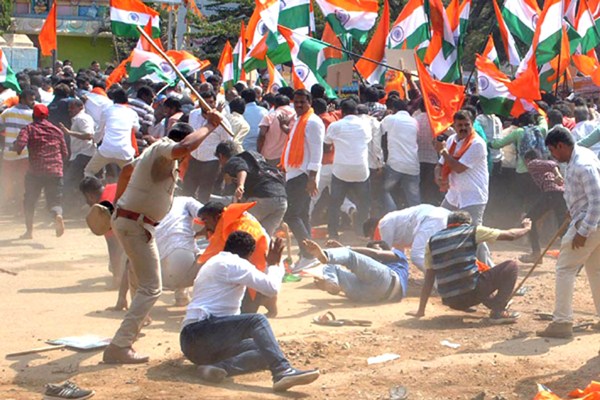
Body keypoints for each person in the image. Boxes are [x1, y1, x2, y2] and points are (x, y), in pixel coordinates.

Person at [102, 113, 223, 364]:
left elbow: (126, 170)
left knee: (138, 273)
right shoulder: (165, 149)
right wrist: (211, 125)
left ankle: (138, 319)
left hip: (130, 221)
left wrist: (118, 204)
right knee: (152, 287)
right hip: (136, 224)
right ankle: (120, 344)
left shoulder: (153, 152)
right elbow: (187, 146)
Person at [180, 231, 320, 391]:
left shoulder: (215, 262)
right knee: (257, 320)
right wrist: (274, 264)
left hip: (196, 345)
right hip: (201, 333)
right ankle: (283, 371)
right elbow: (271, 288)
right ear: (250, 254)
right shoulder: (235, 263)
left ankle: (216, 367)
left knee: (267, 350)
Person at [408, 211, 532, 324]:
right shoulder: (472, 231)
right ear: (467, 223)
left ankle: (494, 303)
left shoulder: (432, 240)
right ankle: (498, 311)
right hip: (471, 294)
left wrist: (421, 310)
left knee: (476, 271)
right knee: (511, 266)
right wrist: (526, 228)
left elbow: (429, 277)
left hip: (452, 301)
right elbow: (511, 235)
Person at [537, 127, 600, 339]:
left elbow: (597, 202)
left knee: (565, 268)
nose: (553, 156)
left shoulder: (583, 165)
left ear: (560, 146)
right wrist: (572, 206)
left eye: (553, 151)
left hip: (589, 223)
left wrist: (583, 231)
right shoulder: (579, 156)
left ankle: (562, 322)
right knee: (595, 271)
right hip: (588, 220)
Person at [196, 201, 277, 316]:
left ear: (217, 217)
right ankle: (264, 298)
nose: (206, 227)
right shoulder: (231, 220)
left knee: (244, 315)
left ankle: (263, 298)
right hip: (258, 263)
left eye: (206, 221)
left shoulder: (239, 226)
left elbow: (240, 261)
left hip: (260, 263)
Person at [434, 110, 492, 266]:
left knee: (474, 236)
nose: (463, 128)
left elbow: (458, 167)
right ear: (454, 126)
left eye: (467, 124)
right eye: (460, 125)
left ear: (472, 125)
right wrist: (439, 178)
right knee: (439, 224)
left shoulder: (477, 143)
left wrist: (443, 151)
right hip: (453, 195)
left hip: (473, 197)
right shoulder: (452, 140)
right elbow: (440, 165)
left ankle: (489, 270)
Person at [281, 89, 324, 271]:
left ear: (310, 103)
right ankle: (309, 255)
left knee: (290, 215)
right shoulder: (299, 120)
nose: (298, 105)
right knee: (302, 215)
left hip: (303, 175)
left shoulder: (313, 122)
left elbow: (317, 152)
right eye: (296, 102)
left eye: (302, 103)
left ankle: (308, 254)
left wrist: (312, 178)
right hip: (294, 173)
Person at [13, 104, 68, 239]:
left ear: (33, 116)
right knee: (54, 202)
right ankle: (57, 215)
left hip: (35, 172)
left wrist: (15, 147)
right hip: (55, 171)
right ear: (47, 116)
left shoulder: (29, 129)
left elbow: (20, 144)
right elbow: (65, 153)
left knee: (29, 201)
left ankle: (29, 232)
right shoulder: (56, 130)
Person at [216, 141, 287, 236]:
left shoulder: (234, 160)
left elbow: (241, 169)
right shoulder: (256, 157)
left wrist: (240, 185)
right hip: (282, 199)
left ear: (221, 156)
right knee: (264, 237)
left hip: (262, 197)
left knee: (242, 231)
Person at [324, 98, 371, 238]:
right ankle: (361, 232)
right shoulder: (365, 125)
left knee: (334, 204)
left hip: (340, 171)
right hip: (361, 170)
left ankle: (333, 233)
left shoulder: (335, 126)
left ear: (342, 112)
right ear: (356, 112)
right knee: (364, 203)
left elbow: (327, 144)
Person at [304, 239, 408, 303]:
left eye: (376, 248)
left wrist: (345, 249)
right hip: (375, 296)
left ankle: (327, 255)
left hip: (389, 280)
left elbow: (377, 254)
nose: (370, 255)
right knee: (331, 264)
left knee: (348, 254)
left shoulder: (398, 254)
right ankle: (332, 283)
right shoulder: (371, 270)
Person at [363, 204, 451, 272]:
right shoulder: (393, 223)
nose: (372, 239)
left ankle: (437, 280)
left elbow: (384, 254)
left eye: (370, 236)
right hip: (440, 216)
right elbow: (398, 254)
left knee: (416, 256)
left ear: (372, 229)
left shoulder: (383, 224)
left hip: (431, 219)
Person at [519, 148, 568, 264]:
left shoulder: (532, 163)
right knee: (562, 228)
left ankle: (536, 254)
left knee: (529, 220)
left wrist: (558, 174)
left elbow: (552, 163)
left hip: (551, 193)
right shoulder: (541, 169)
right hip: (561, 195)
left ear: (527, 160)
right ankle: (574, 257)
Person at [184, 91, 233, 202]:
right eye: (204, 102)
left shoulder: (222, 122)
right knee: (187, 191)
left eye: (210, 102)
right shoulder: (193, 114)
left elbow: (228, 143)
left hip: (211, 162)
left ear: (214, 103)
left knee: (204, 194)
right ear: (199, 103)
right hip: (194, 158)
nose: (208, 105)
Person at [79, 176, 124, 289]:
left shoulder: (104, 209)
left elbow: (114, 246)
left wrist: (116, 277)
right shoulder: (114, 186)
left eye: (86, 198)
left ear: (90, 195)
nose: (86, 201)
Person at [84, 88, 140, 177]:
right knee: (133, 177)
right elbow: (136, 129)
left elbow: (99, 131)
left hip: (106, 149)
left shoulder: (107, 111)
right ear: (127, 99)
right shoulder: (132, 113)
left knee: (88, 171)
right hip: (125, 152)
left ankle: (94, 189)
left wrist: (95, 141)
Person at [380, 97, 421, 212]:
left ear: (393, 109)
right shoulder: (414, 121)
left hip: (395, 164)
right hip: (413, 165)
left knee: (384, 190)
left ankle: (392, 213)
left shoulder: (391, 119)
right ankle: (417, 220)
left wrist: (386, 116)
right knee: (414, 199)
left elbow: (379, 131)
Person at [0, 89, 35, 212]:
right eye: (31, 99)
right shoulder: (32, 114)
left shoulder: (7, 112)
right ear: (24, 99)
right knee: (23, 182)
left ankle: (5, 205)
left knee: (6, 180)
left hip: (8, 153)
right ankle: (21, 208)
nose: (33, 101)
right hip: (24, 153)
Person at [60, 99, 96, 196]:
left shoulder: (82, 118)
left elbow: (89, 135)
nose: (69, 110)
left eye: (72, 108)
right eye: (69, 108)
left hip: (83, 154)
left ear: (80, 108)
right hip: (79, 154)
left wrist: (69, 133)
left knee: (69, 181)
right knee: (77, 182)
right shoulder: (79, 118)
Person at [414, 100, 441, 205]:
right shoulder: (436, 121)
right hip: (432, 159)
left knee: (420, 187)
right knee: (430, 188)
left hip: (418, 158)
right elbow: (450, 132)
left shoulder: (415, 120)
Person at [257, 94, 296, 166]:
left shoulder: (269, 116)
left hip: (270, 156)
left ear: (275, 105)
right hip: (288, 156)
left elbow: (262, 135)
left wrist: (258, 152)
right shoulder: (296, 116)